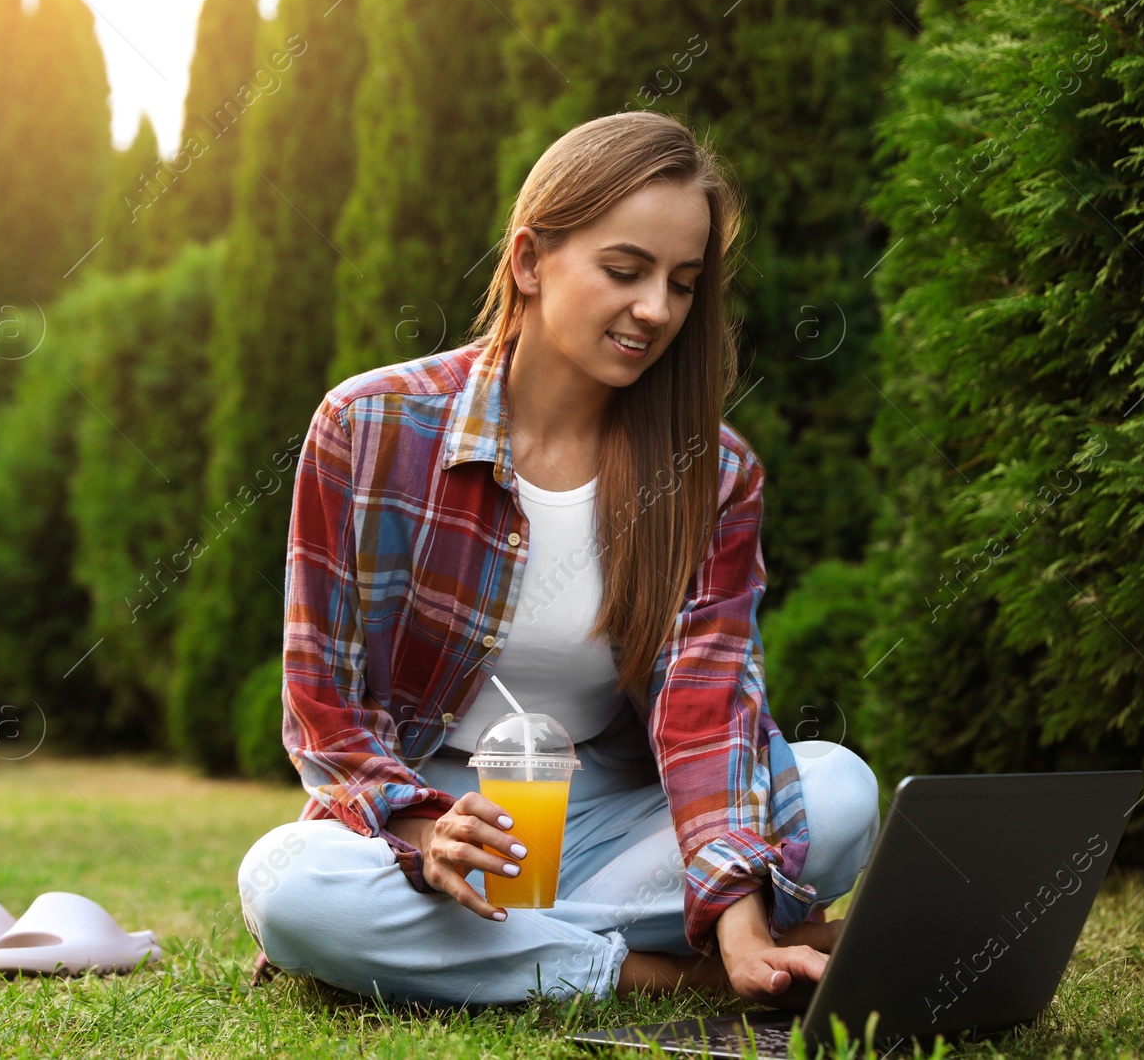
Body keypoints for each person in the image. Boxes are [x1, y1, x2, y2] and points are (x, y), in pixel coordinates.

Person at [237, 110, 879, 1008]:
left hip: (613, 817)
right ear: (531, 260)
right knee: (291, 883)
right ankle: (650, 971)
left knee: (839, 790)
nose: (656, 309)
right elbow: (326, 715)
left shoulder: (714, 471)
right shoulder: (370, 427)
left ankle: (455, 952)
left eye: (683, 283)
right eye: (625, 270)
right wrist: (426, 832)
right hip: (436, 813)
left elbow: (709, 707)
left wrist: (735, 910)